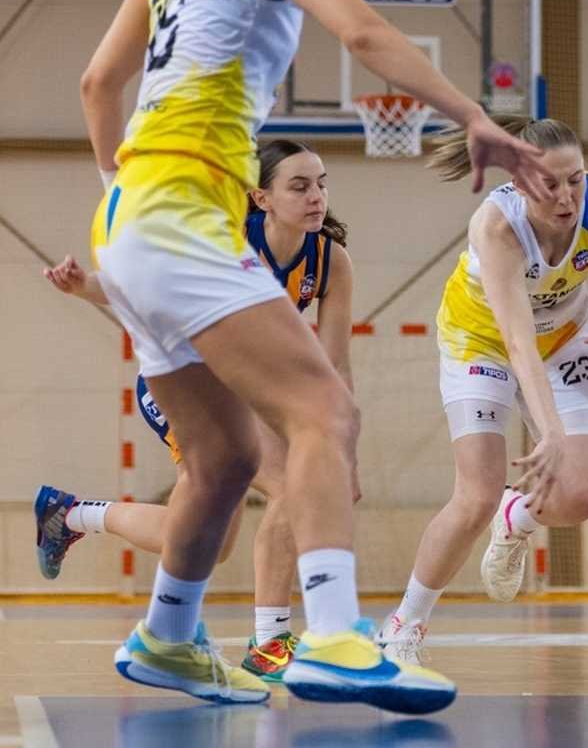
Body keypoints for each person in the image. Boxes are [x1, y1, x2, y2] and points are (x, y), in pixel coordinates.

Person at [72, 0, 554, 709]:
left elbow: (99, 83)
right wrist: (473, 117)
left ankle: (168, 636)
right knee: (325, 412)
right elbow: (364, 31)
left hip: (128, 218)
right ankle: (333, 635)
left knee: (224, 458)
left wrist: (121, 199)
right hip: (182, 211)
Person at [36, 138, 355, 683]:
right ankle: (270, 641)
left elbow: (334, 365)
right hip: (184, 384)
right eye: (299, 186)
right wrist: (84, 286)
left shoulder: (329, 259)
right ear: (261, 197)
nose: (316, 197)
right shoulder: (226, 239)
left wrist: (343, 448)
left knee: (211, 540)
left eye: (321, 184)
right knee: (291, 485)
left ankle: (70, 515)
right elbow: (142, 282)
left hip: (249, 390)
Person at [374, 117, 588, 664]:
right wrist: (552, 433)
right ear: (519, 183)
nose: (566, 196)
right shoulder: (497, 227)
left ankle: (515, 517)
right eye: (550, 184)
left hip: (562, 339)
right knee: (476, 495)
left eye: (575, 179)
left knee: (581, 496)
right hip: (481, 342)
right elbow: (517, 343)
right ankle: (405, 624)